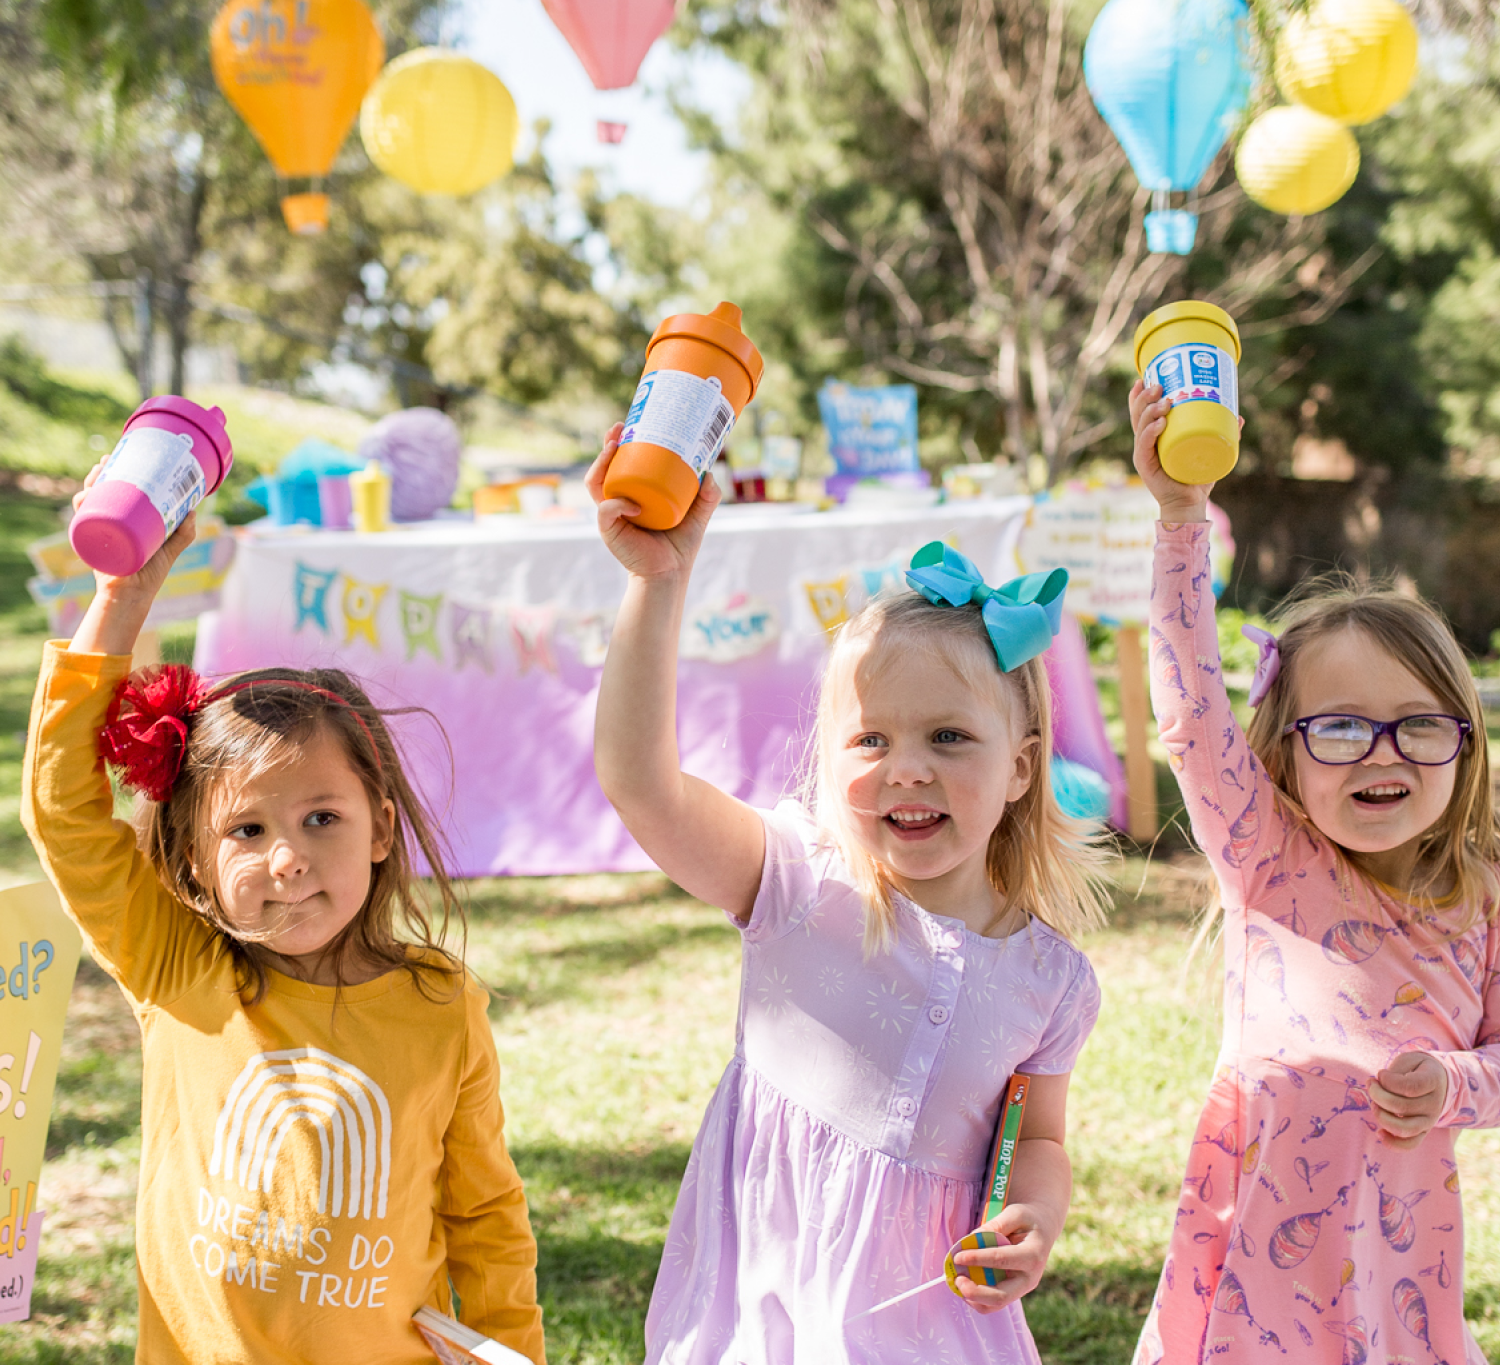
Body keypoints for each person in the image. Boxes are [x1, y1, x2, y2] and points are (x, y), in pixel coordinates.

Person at [587, 423, 1106, 1364]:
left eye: (948, 738)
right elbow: (638, 779)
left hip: (932, 1322)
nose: (907, 769)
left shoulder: (1052, 982)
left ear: (1022, 767)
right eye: (871, 740)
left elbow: (1039, 1139)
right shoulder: (791, 882)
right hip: (769, 1315)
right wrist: (658, 581)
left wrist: (1032, 1214)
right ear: (827, 762)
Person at [21, 475, 545, 1365]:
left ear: (381, 825)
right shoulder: (176, 969)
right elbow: (61, 811)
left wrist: (515, 1353)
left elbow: (485, 1217)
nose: (288, 859)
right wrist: (122, 595)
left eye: (321, 819)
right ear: (193, 857)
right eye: (247, 830)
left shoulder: (441, 1006)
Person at [1130, 379, 1500, 1365]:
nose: (1383, 755)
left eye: (1419, 727)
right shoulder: (1267, 856)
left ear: (1466, 743)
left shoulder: (1485, 896)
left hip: (1400, 1270)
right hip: (1253, 1264)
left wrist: (1457, 1084)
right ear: (1284, 754)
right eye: (1340, 728)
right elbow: (1189, 706)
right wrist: (1178, 520)